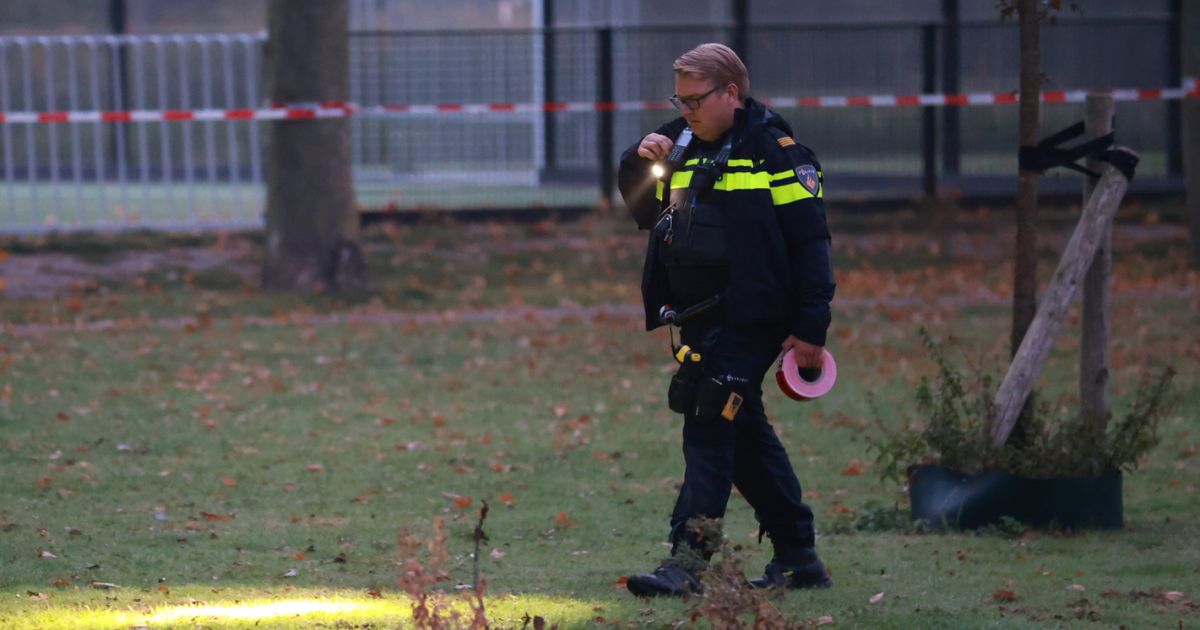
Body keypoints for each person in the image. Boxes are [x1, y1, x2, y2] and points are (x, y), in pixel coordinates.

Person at [616, 43, 835, 597]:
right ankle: (799, 557)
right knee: (744, 437)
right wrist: (637, 161)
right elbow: (647, 212)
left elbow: (811, 243)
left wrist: (811, 328)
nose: (684, 110)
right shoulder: (679, 142)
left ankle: (687, 562)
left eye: (695, 99)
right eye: (679, 98)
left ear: (731, 94)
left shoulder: (776, 151)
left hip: (754, 314)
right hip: (697, 317)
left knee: (710, 417)